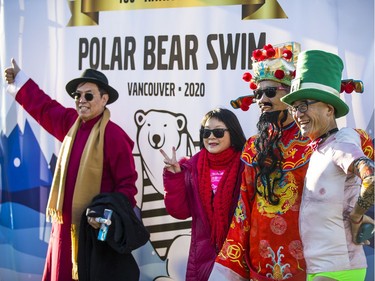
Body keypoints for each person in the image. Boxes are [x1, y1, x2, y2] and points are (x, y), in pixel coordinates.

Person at [4, 59, 138, 281]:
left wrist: (106, 217)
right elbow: (44, 107)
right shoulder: (70, 124)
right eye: (77, 95)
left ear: (104, 99)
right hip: (63, 230)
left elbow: (127, 187)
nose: (81, 100)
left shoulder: (114, 136)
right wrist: (20, 80)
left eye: (88, 95)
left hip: (93, 234)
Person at [209, 42, 311, 280]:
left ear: (291, 94)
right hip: (261, 258)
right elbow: (244, 207)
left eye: (271, 92)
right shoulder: (255, 145)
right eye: (257, 93)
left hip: (305, 259)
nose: (262, 100)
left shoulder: (312, 142)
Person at [281, 50, 374, 281]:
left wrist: (356, 217)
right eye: (294, 107)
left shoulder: (341, 141)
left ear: (328, 109)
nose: (297, 114)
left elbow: (370, 177)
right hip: (322, 269)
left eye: (303, 106)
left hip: (338, 270)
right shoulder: (321, 148)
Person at [159, 108, 247, 281]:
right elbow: (179, 212)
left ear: (233, 133)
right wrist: (174, 177)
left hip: (238, 256)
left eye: (218, 132)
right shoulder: (192, 167)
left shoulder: (247, 165)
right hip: (202, 260)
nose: (211, 137)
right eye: (206, 132)